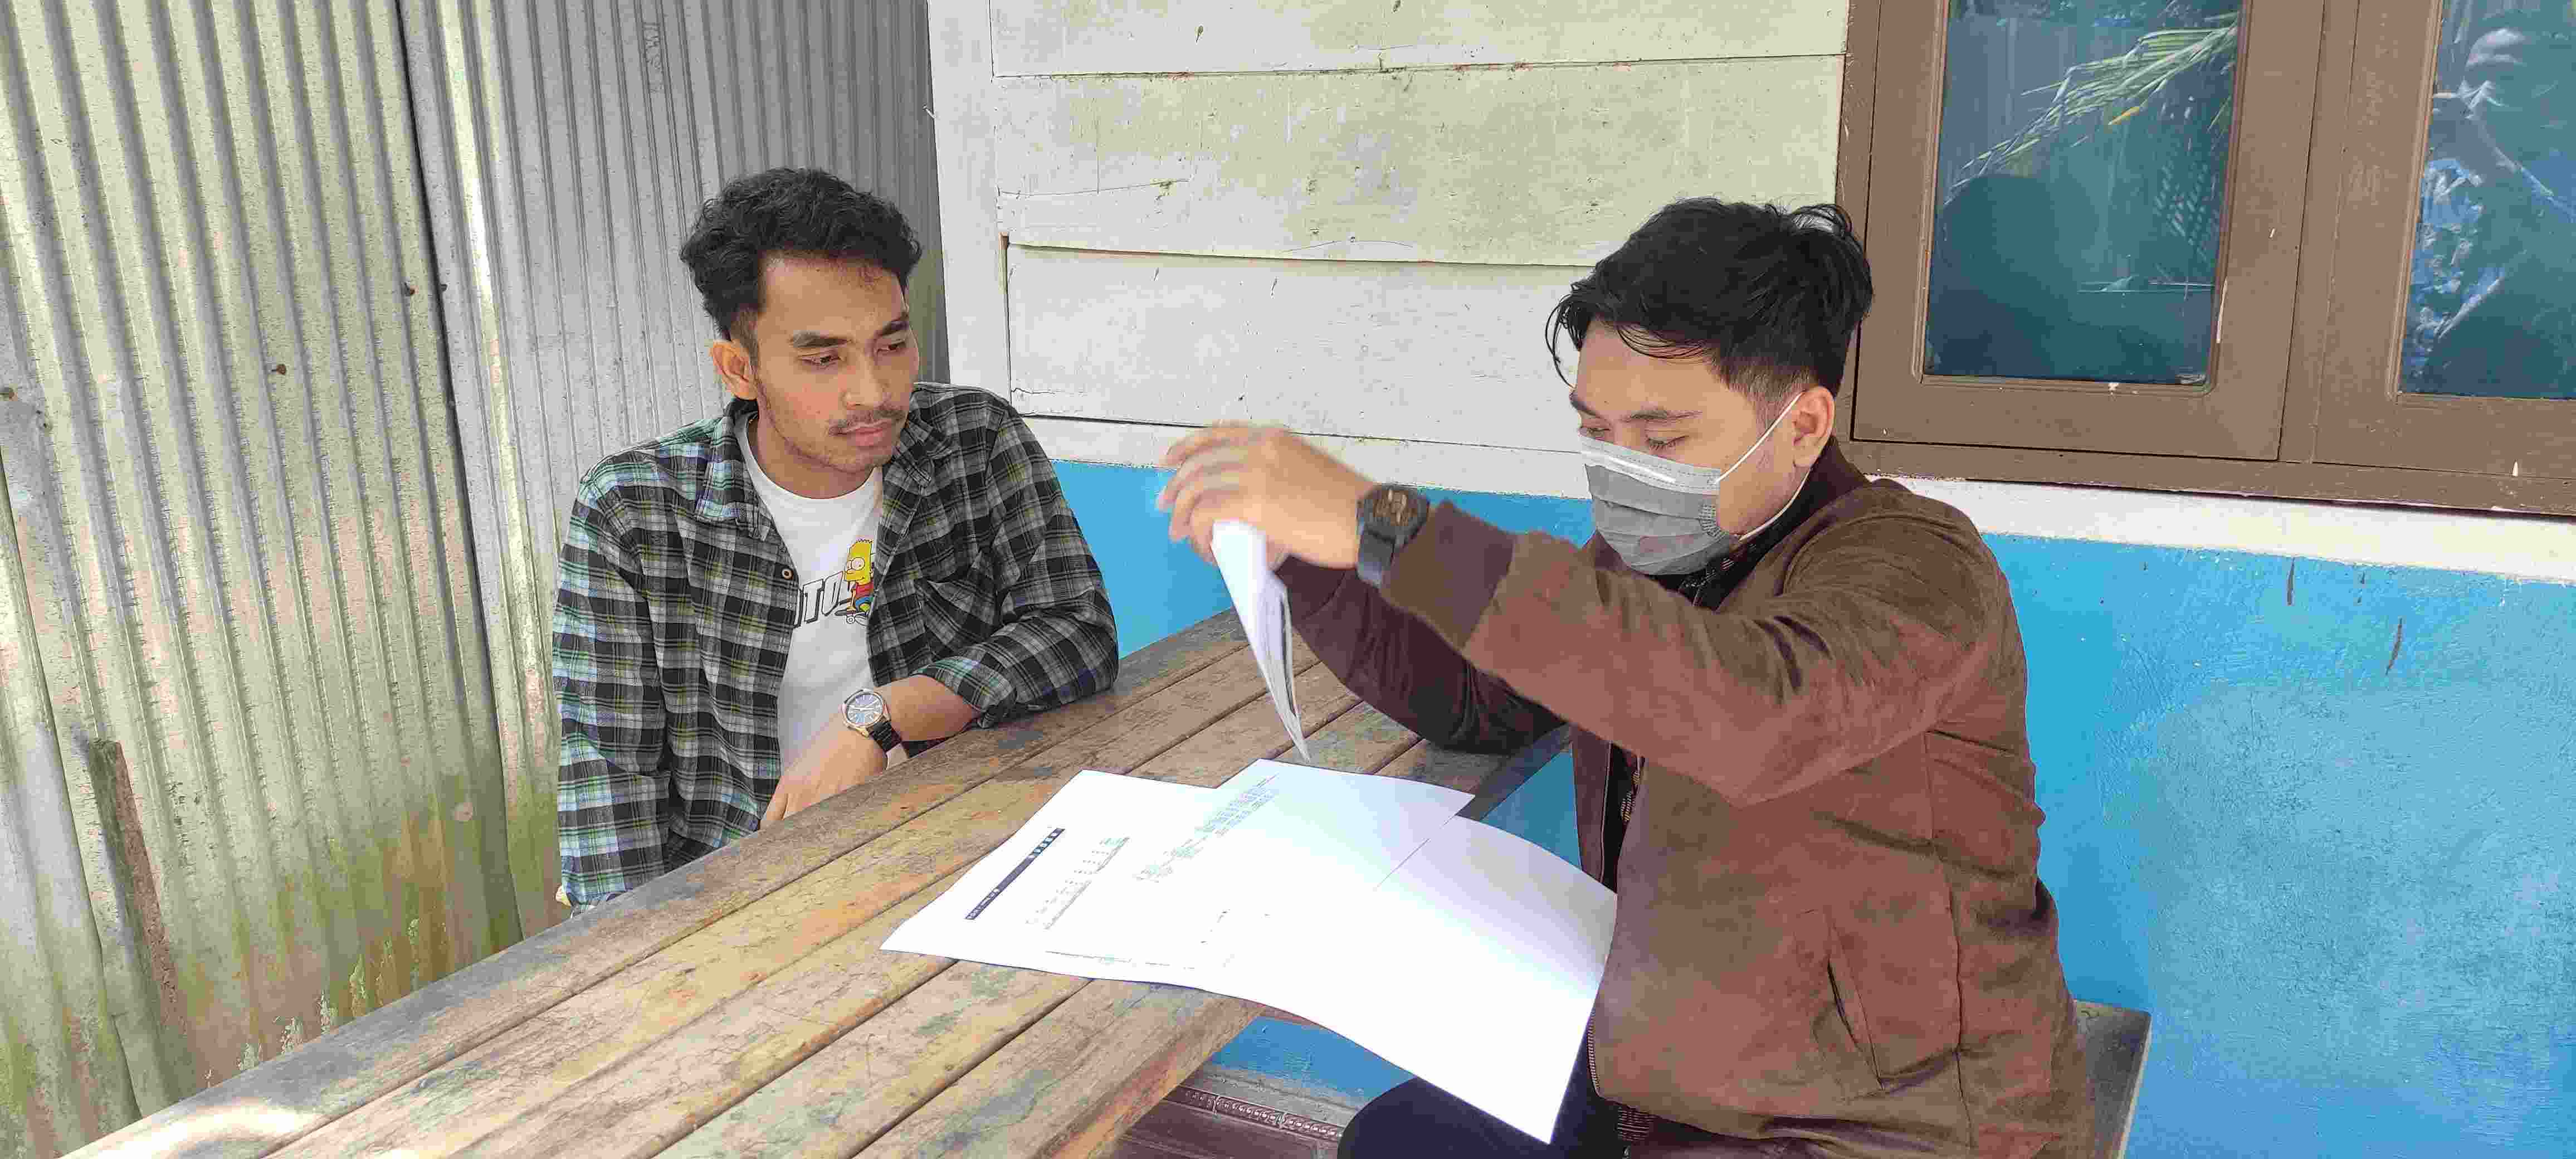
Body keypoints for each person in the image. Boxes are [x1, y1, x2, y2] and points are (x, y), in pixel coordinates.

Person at [1158, 200, 2092, 1157]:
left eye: (1662, 438)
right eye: (1597, 431)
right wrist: (1310, 560)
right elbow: (1477, 700)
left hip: (1880, 1125)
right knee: (1395, 1141)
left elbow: (1757, 712)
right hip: (1676, 1071)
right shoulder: (1656, 558)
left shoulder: (1916, 567)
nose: (1621, 470)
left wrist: (1391, 531)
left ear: (1804, 425)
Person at [554, 167, 1118, 914]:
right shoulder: (636, 512)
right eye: (824, 359)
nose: (874, 392)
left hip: (958, 856)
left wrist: (883, 715)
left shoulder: (974, 441)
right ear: (740, 369)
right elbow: (610, 785)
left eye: (892, 344)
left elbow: (1078, 633)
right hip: (748, 898)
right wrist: (636, 957)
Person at [2408, 10, 2576, 397]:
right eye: (2474, 75)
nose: (2482, 92)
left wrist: (2490, 163)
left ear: (2556, 98)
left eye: (2508, 78)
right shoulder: (2430, 177)